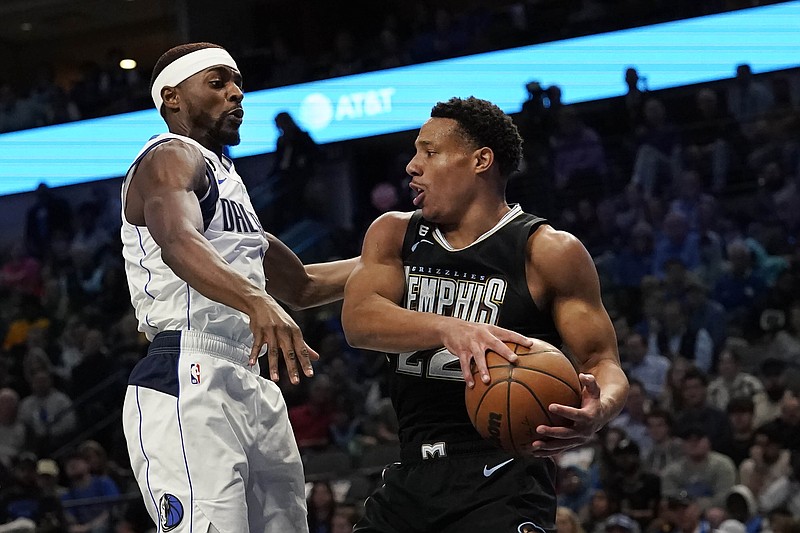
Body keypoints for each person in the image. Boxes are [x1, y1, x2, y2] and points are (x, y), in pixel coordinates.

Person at [341, 96, 629, 532]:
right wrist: (448, 327)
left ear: (481, 160)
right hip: (413, 475)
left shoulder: (547, 250)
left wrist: (598, 410)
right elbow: (358, 320)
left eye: (429, 152)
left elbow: (602, 363)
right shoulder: (394, 233)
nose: (412, 166)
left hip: (505, 477)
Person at [119, 42, 357, 533]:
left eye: (238, 83)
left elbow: (307, 285)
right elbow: (177, 241)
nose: (236, 94)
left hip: (251, 380)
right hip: (187, 371)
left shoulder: (230, 185)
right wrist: (255, 301)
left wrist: (410, 253)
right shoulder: (168, 159)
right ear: (172, 98)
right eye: (218, 83)